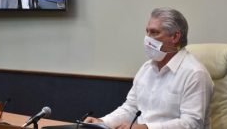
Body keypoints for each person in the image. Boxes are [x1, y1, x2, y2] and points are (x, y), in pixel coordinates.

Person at [84, 7, 213, 129]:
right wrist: (103, 122)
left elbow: (192, 123)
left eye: (154, 33)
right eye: (147, 32)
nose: (148, 39)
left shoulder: (195, 73)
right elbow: (131, 108)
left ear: (175, 37)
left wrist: (146, 127)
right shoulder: (147, 68)